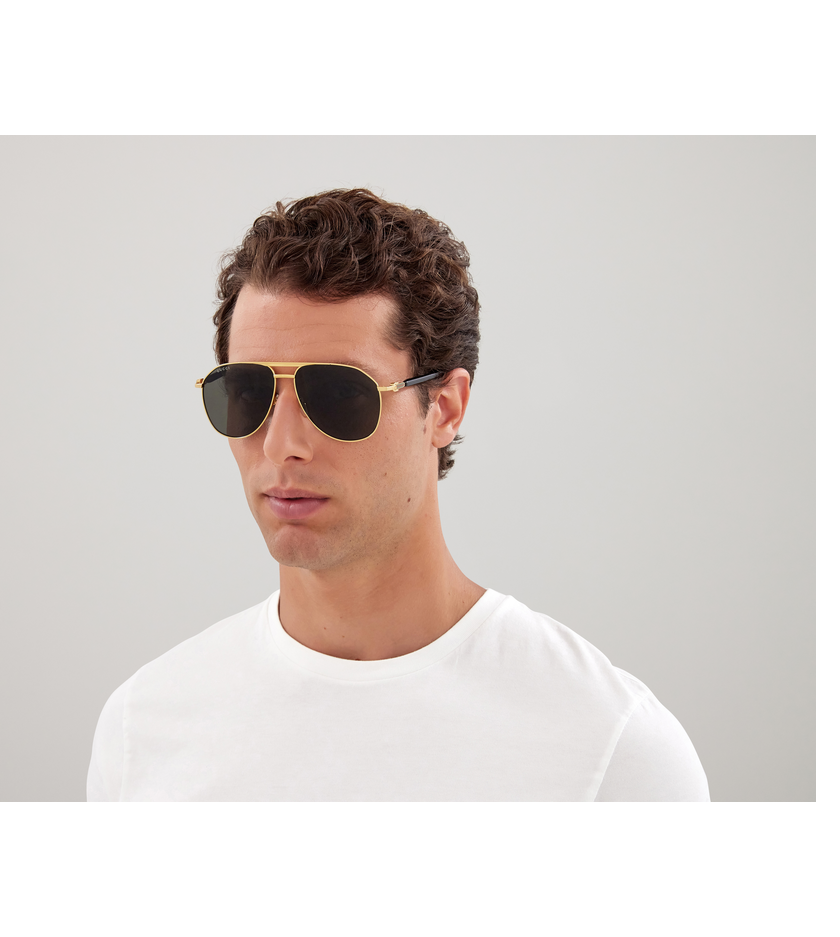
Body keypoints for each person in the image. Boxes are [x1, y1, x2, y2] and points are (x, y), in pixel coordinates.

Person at [86, 188, 709, 801]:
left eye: (339, 395)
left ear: (444, 408)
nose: (281, 445)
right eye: (247, 393)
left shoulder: (611, 753)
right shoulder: (144, 731)